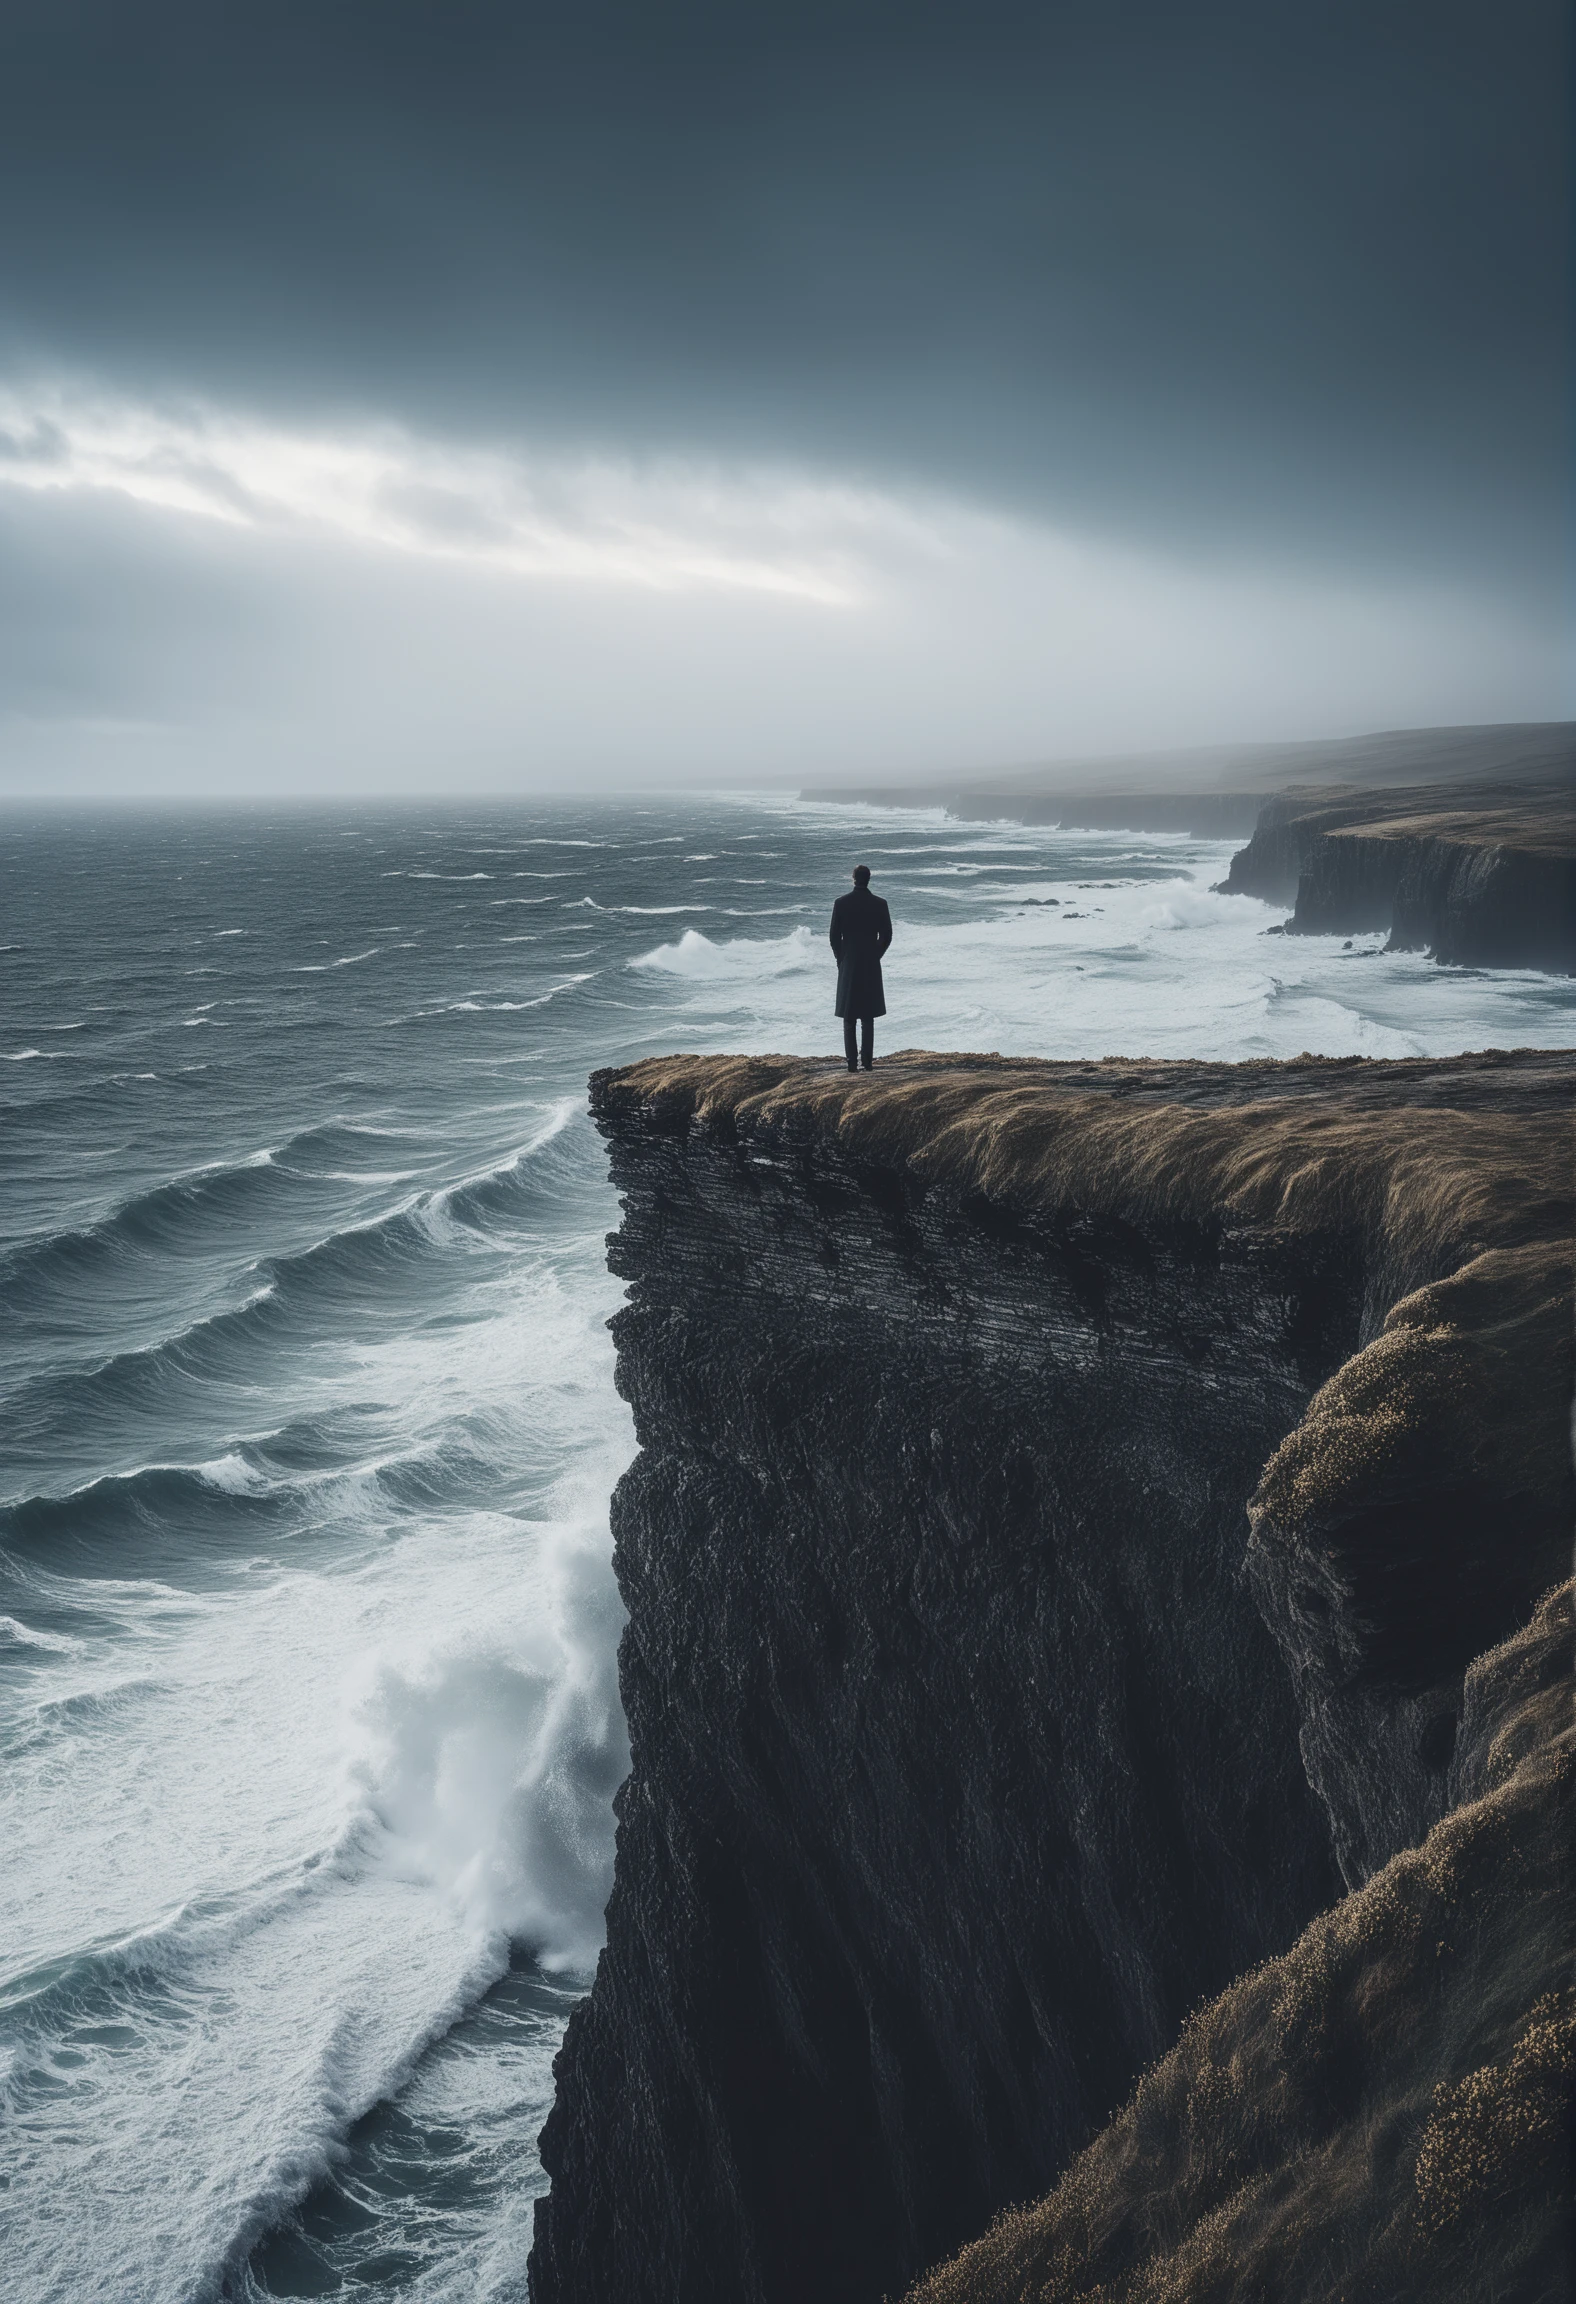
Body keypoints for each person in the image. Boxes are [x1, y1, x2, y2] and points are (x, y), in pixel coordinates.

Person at [829, 864, 893, 1072]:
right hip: (870, 963)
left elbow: (833, 937)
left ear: (853, 878)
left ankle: (851, 1064)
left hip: (849, 962)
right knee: (868, 1015)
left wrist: (842, 958)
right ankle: (867, 1062)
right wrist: (876, 954)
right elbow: (887, 935)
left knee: (849, 1016)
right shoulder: (880, 904)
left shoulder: (841, 903)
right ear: (869, 879)